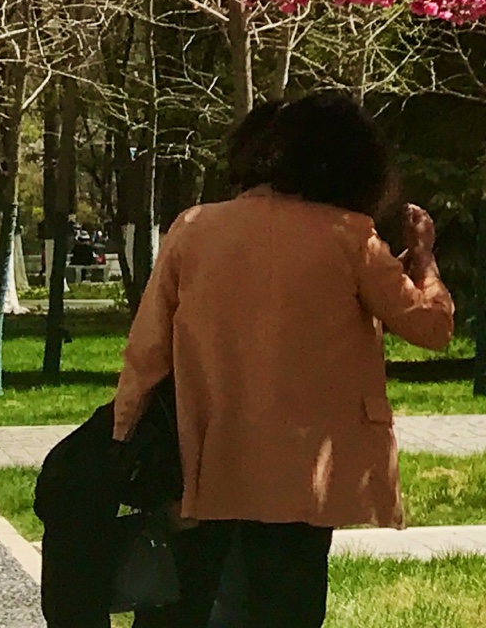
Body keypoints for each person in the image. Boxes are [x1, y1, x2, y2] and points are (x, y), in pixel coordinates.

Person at [112, 89, 454, 627]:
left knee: (187, 607)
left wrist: (126, 445)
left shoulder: (193, 228)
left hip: (204, 463)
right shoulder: (351, 238)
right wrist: (425, 260)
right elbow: (430, 327)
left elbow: (146, 352)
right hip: (303, 479)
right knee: (286, 610)